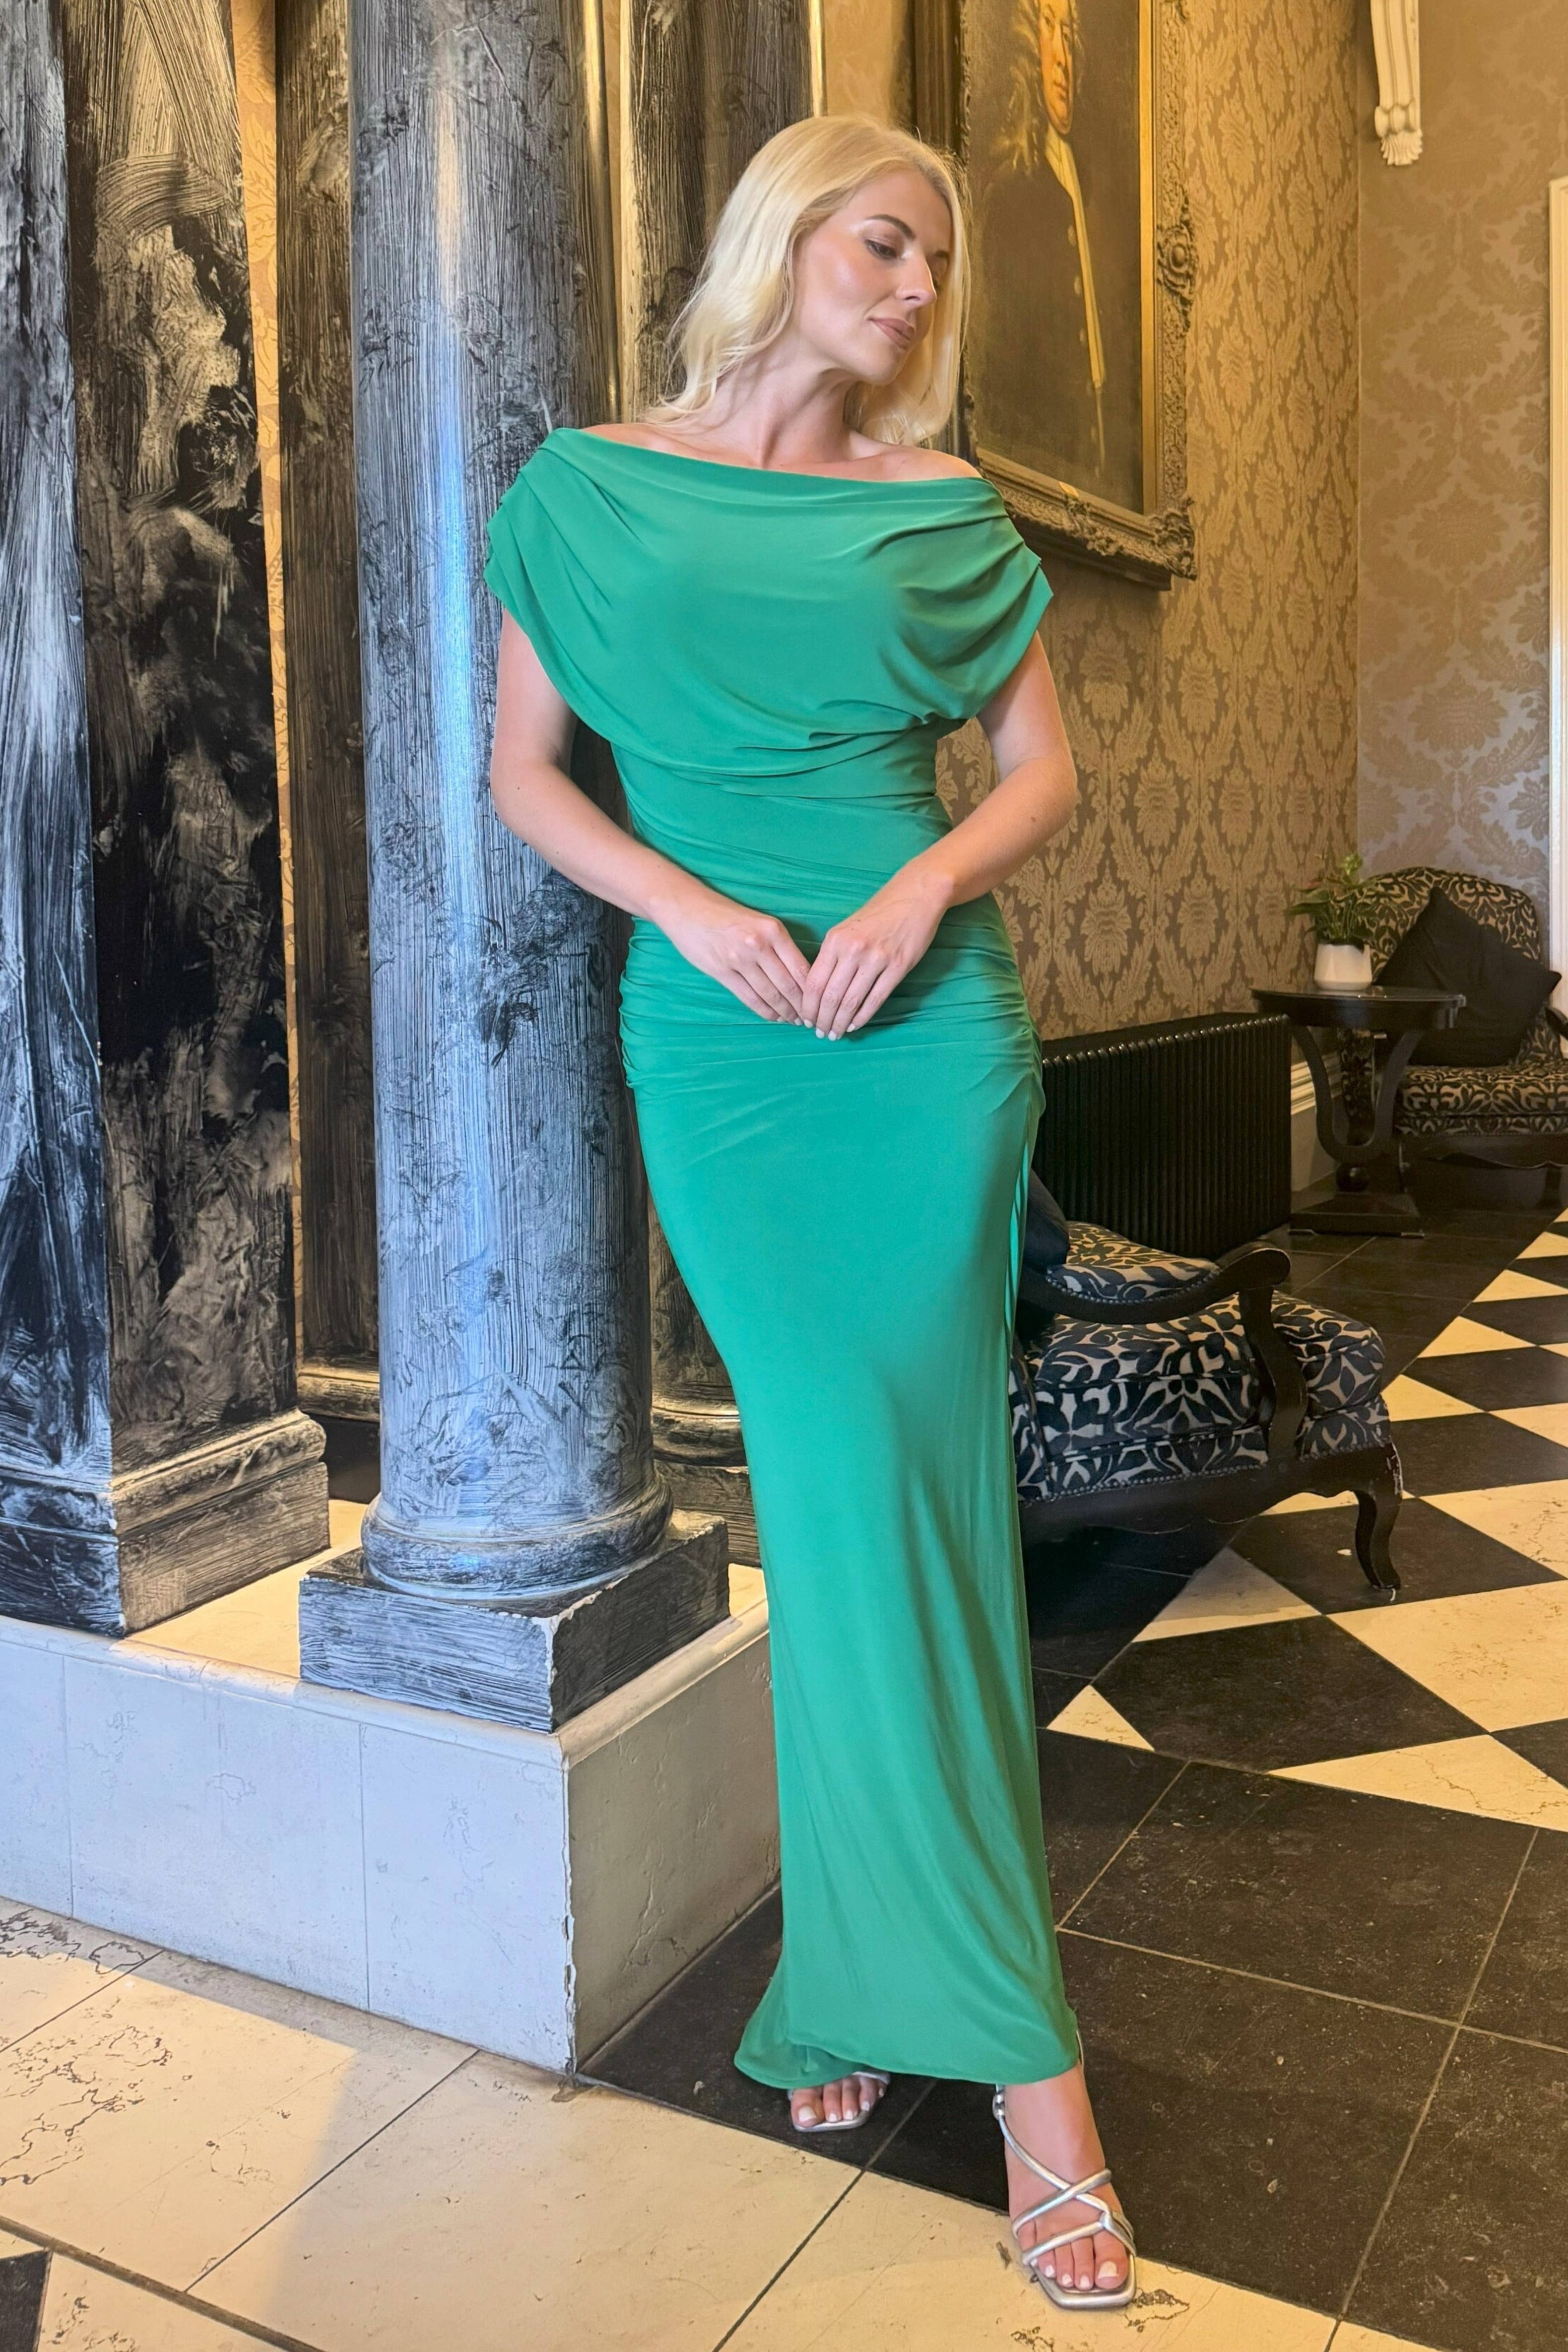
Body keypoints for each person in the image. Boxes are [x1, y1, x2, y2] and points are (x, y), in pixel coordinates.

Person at [483, 112, 1136, 2313]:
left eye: (937, 261)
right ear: (786, 234)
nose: (920, 287)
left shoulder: (937, 509)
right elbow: (527, 773)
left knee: (904, 1514)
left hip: (926, 1051)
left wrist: (920, 885)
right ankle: (854, 1975)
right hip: (728, 1055)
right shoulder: (586, 488)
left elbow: (1038, 772)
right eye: (888, 241)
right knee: (838, 1507)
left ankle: (1034, 2083)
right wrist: (686, 908)